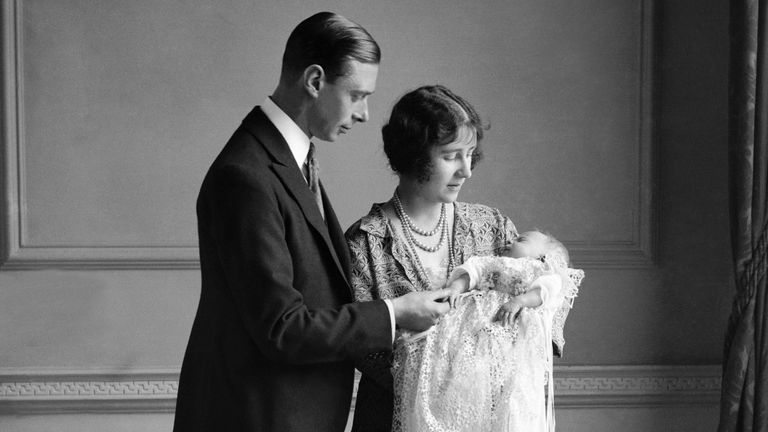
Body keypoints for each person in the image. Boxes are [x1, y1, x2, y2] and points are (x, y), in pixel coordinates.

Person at [173, 13, 452, 432]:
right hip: (257, 417)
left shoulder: (289, 160)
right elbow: (283, 328)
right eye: (357, 95)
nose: (364, 113)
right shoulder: (246, 175)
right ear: (315, 81)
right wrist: (394, 313)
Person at [345, 84, 519, 432]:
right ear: (413, 155)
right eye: (451, 155)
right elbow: (362, 347)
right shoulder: (365, 243)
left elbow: (543, 315)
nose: (466, 170)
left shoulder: (494, 228)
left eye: (470, 154)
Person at [391, 230, 584, 432]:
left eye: (521, 240)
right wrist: (456, 288)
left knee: (507, 382)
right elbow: (473, 271)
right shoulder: (495, 262)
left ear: (542, 256)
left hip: (506, 326)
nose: (510, 240)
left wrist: (519, 301)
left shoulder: (540, 270)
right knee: (461, 363)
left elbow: (543, 292)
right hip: (472, 322)